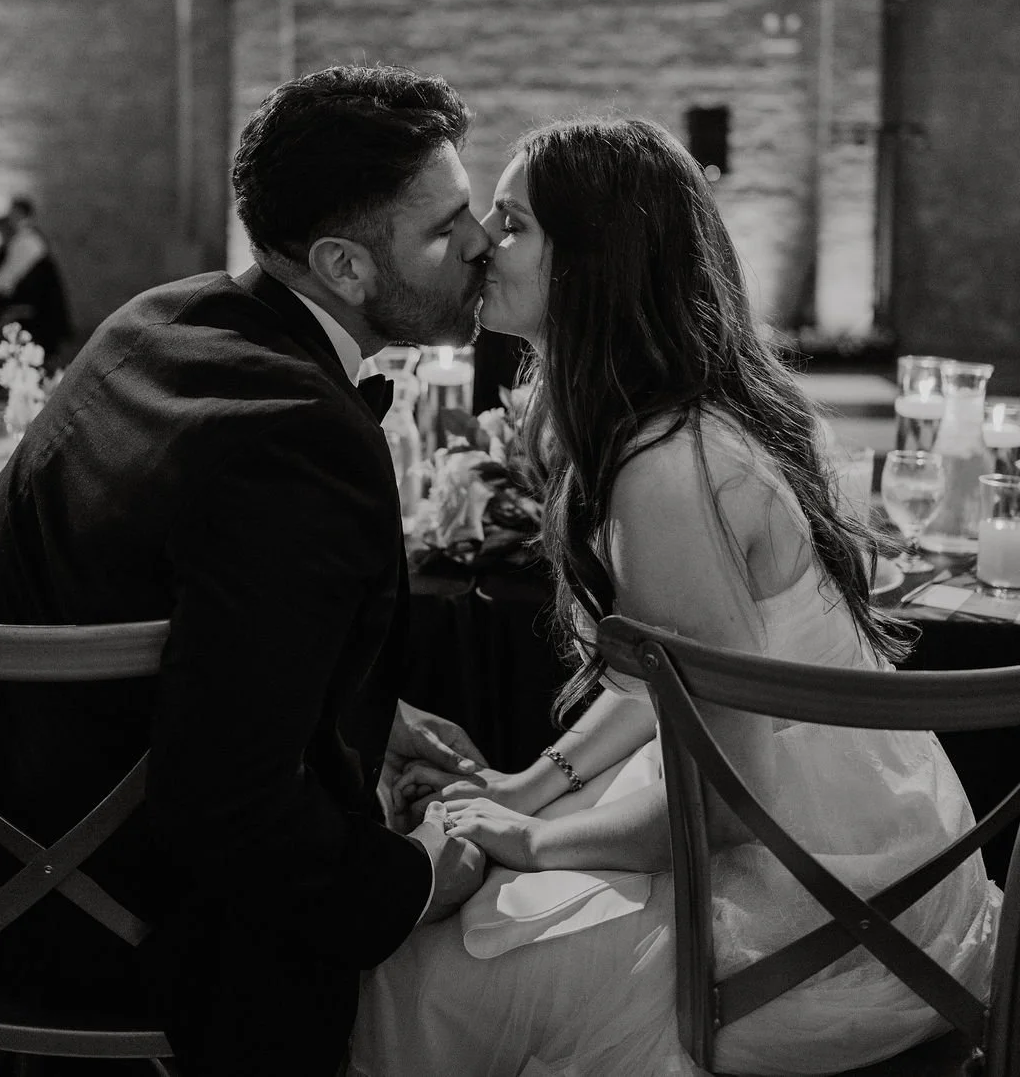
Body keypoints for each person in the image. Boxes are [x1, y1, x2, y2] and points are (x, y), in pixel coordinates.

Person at [349, 116, 1000, 1077]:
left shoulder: (668, 471)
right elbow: (669, 673)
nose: (485, 240)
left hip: (821, 910)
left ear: (593, 263)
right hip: (843, 841)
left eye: (513, 220)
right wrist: (536, 783)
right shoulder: (665, 423)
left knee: (408, 979)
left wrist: (537, 839)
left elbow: (731, 802)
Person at [0, 65, 496, 1077]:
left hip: (24, 830)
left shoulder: (156, 320)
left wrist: (364, 710)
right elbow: (229, 808)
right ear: (344, 268)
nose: (480, 242)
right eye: (446, 229)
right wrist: (412, 883)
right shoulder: (301, 441)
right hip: (130, 925)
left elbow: (166, 614)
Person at [0, 193, 73, 364]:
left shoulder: (27, 241)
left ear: (19, 213)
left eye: (12, 212)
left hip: (37, 311)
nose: (9, 217)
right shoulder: (26, 239)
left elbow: (8, 278)